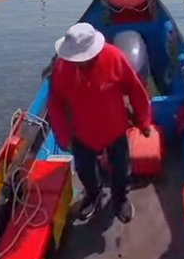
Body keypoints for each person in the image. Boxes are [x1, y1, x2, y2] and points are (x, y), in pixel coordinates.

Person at [47, 22, 151, 224]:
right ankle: (93, 194)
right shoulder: (62, 67)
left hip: (115, 126)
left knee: (121, 168)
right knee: (85, 169)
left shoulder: (114, 57)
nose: (80, 63)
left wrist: (144, 120)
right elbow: (55, 103)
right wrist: (62, 134)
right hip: (82, 131)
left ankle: (119, 197)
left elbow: (135, 90)